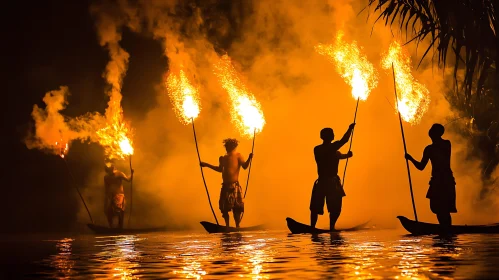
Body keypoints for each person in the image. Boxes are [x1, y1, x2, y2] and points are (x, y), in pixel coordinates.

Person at [405, 123, 457, 227]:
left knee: (444, 208)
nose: (430, 131)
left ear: (437, 133)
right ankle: (445, 228)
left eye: (433, 130)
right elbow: (421, 167)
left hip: (444, 180)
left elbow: (422, 166)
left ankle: (446, 229)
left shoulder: (445, 144)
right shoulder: (430, 148)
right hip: (438, 181)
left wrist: (410, 159)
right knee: (437, 208)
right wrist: (410, 159)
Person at [310, 123, 355, 230]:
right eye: (332, 134)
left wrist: (346, 156)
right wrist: (350, 129)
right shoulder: (328, 148)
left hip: (321, 182)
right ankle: (331, 227)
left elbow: (335, 155)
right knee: (334, 208)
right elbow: (344, 141)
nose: (333, 136)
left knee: (316, 207)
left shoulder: (318, 149)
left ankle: (314, 227)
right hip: (330, 183)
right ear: (331, 137)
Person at [200, 138, 253, 228]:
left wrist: (249, 158)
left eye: (230, 147)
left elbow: (244, 166)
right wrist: (206, 165)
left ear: (234, 147)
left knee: (236, 208)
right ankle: (227, 226)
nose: (228, 148)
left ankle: (237, 226)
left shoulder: (238, 156)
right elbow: (220, 169)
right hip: (225, 186)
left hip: (235, 185)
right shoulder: (223, 158)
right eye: (227, 147)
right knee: (224, 207)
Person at [104, 163, 134, 229]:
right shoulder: (106, 177)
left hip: (119, 195)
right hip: (111, 196)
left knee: (119, 210)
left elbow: (128, 180)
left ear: (113, 168)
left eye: (111, 168)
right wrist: (106, 199)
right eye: (108, 169)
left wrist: (131, 173)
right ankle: (111, 227)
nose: (110, 170)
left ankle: (120, 227)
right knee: (108, 212)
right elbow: (106, 188)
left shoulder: (119, 174)